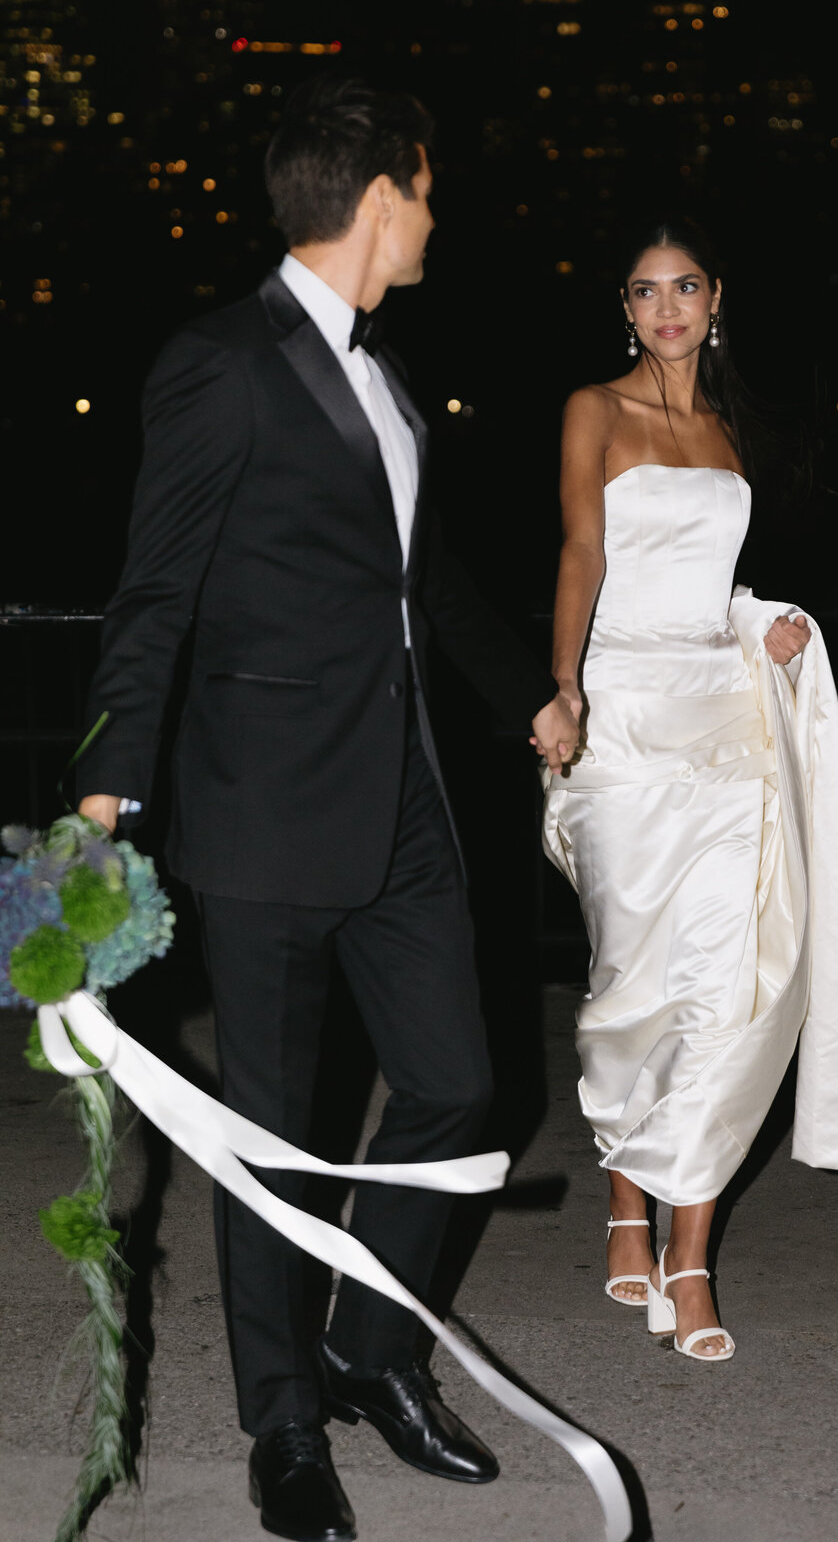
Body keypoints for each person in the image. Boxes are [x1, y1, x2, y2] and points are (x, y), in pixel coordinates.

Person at [77, 76, 579, 1542]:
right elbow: (155, 592)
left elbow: (425, 581)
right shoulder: (219, 363)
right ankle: (284, 1425)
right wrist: (104, 793)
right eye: (425, 194)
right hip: (264, 815)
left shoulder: (390, 376)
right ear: (378, 199)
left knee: (458, 1086)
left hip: (405, 802)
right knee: (272, 1134)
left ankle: (370, 1349)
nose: (434, 219)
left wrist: (531, 699)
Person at [538, 216, 838, 1365]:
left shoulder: (732, 431)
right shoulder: (594, 410)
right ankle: (625, 1201)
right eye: (645, 291)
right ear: (623, 309)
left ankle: (688, 1258)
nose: (667, 308)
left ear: (715, 299)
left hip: (725, 721)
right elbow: (585, 554)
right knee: (630, 985)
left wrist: (759, 624)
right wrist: (564, 688)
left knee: (730, 985)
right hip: (624, 721)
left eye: (685, 287)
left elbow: (708, 580)